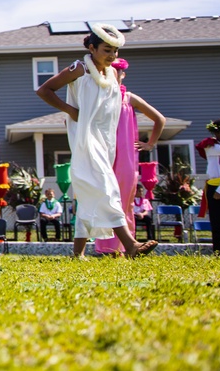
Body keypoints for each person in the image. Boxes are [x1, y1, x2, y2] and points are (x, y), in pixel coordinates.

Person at [36, 23, 160, 259]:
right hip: (84, 138)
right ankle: (130, 245)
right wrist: (70, 111)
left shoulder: (113, 72)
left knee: (89, 194)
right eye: (106, 49)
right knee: (106, 187)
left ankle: (78, 252)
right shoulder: (79, 68)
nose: (112, 55)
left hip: (105, 140)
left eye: (115, 51)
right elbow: (44, 90)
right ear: (92, 48)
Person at [94, 58, 165, 255]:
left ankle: (126, 247)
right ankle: (105, 247)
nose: (113, 75)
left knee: (124, 200)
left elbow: (159, 119)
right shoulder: (97, 98)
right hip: (103, 155)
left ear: (123, 75)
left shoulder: (129, 98)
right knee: (105, 198)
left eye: (117, 71)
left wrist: (149, 143)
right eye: (108, 71)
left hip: (126, 157)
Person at [200, 118, 220, 256]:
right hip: (213, 186)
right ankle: (218, 253)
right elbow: (213, 151)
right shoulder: (209, 145)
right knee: (217, 222)